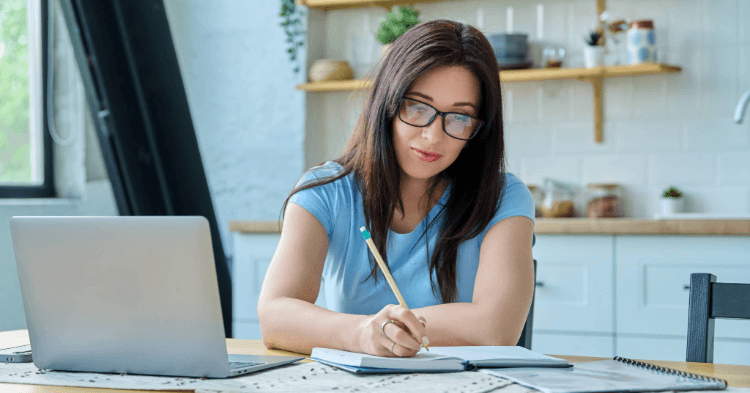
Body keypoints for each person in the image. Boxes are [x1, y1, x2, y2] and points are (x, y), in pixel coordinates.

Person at [258, 19, 535, 358]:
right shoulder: (325, 191)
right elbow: (274, 317)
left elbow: (496, 328)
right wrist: (363, 334)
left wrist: (388, 331)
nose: (433, 136)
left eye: (459, 117)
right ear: (387, 103)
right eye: (417, 107)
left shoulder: (504, 196)